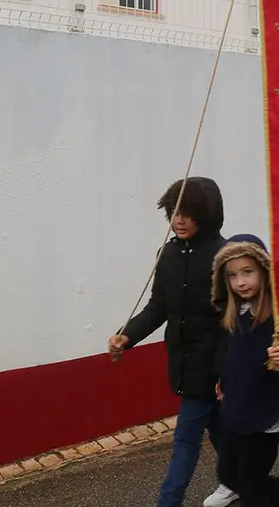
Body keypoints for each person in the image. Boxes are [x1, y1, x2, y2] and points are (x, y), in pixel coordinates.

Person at [107, 177, 239, 507]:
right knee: (219, 427)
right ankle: (241, 479)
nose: (179, 219)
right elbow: (158, 307)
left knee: (185, 439)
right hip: (182, 362)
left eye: (188, 213)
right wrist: (128, 334)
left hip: (210, 366)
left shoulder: (225, 257)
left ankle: (169, 501)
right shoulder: (166, 254)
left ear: (206, 214)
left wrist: (223, 371)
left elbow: (232, 321)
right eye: (174, 212)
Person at [210, 235, 279, 506]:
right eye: (232, 275)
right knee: (227, 473)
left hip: (267, 412)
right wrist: (225, 381)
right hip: (237, 407)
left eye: (247, 272)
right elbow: (235, 355)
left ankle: (271, 497)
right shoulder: (234, 314)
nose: (240, 282)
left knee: (251, 487)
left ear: (263, 272)